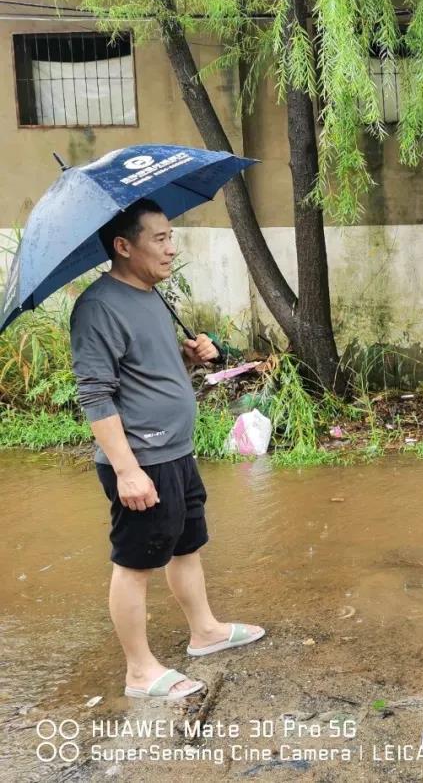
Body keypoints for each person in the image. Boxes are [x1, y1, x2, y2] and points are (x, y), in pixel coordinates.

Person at [70, 199, 264, 701]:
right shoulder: (98, 307)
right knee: (135, 563)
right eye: (160, 238)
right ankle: (139, 671)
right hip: (142, 460)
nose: (171, 248)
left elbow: (145, 367)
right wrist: (127, 470)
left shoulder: (151, 294)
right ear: (123, 245)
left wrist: (191, 355)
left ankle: (205, 632)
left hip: (176, 451)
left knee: (186, 545)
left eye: (171, 237)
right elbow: (95, 393)